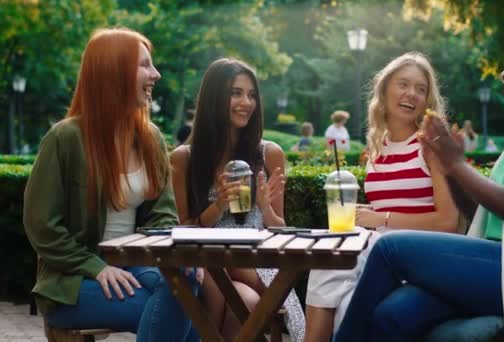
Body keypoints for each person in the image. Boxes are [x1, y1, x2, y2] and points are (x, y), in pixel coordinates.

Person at [335, 24, 504, 342]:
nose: (503, 74)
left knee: (389, 248)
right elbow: (481, 213)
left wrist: (457, 163)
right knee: (392, 315)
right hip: (496, 265)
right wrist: (450, 167)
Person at [23, 28, 199, 341]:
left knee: (184, 282)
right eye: (145, 65)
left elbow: (163, 217)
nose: (155, 74)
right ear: (113, 71)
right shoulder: (65, 139)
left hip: (136, 264)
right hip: (73, 280)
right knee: (182, 312)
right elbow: (42, 226)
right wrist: (96, 267)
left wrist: (176, 259)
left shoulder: (151, 139)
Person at [304, 52, 459, 342]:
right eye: (403, 84)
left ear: (427, 100)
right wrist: (368, 213)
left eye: (420, 89)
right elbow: (390, 207)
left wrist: (380, 217)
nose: (411, 94)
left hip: (420, 258)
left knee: (328, 259)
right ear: (385, 89)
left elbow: (449, 222)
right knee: (342, 301)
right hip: (379, 257)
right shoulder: (377, 148)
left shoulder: (430, 146)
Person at [170, 58, 305, 341]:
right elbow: (182, 230)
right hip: (208, 269)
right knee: (243, 302)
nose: (247, 102)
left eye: (252, 95)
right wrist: (217, 205)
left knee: (245, 300)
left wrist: (265, 208)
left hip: (259, 268)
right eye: (236, 93)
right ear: (214, 97)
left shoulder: (270, 154)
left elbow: (280, 229)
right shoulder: (183, 160)